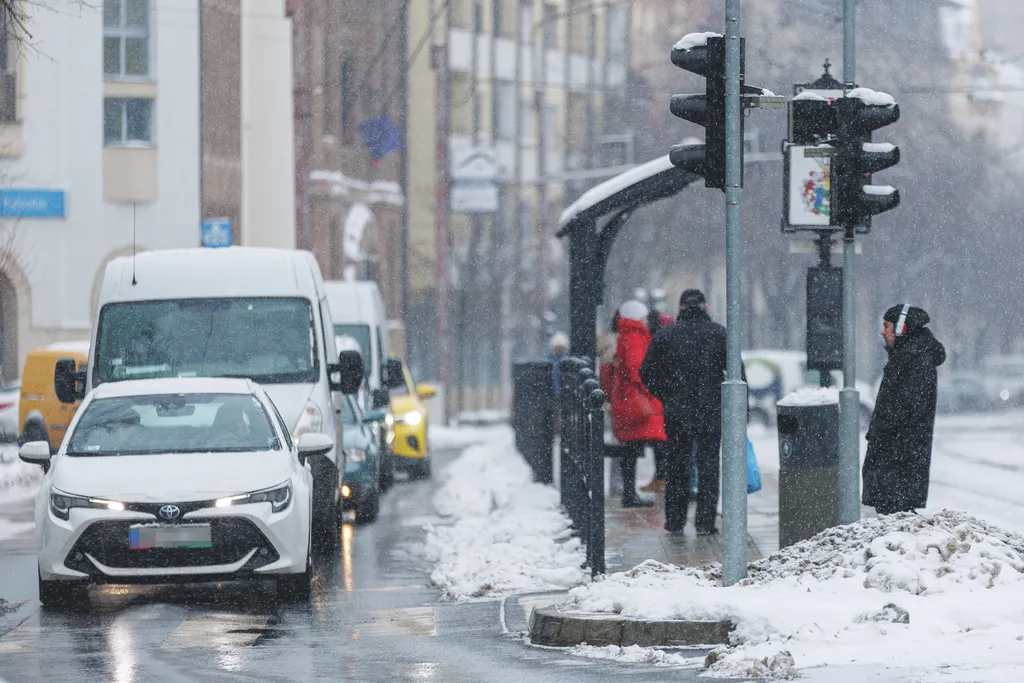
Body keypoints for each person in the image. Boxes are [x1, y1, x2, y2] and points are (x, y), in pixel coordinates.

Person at [640, 289, 730, 535]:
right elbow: (736, 375)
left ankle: (675, 520)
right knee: (708, 467)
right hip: (710, 411)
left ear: (680, 308)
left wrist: (667, 394)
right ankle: (704, 522)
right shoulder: (720, 334)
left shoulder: (666, 335)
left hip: (677, 412)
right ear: (705, 308)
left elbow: (646, 373)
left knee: (677, 466)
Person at [863, 304, 946, 515]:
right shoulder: (907, 357)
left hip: (898, 462)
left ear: (901, 328)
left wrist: (882, 432)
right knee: (894, 516)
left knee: (897, 515)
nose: (883, 332)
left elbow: (907, 409)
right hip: (897, 461)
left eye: (887, 326)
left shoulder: (915, 360)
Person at [609, 300, 663, 508]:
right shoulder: (634, 336)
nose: (647, 320)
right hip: (636, 401)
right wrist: (650, 385)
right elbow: (635, 368)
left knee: (632, 447)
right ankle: (631, 494)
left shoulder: (627, 335)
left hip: (629, 399)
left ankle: (630, 492)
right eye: (644, 316)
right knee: (639, 446)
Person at [640, 298, 677, 493]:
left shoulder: (655, 340)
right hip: (668, 398)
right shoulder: (669, 335)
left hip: (660, 399)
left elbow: (644, 371)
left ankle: (663, 476)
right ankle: (665, 477)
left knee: (660, 441)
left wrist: (658, 390)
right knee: (664, 441)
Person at [549, 332, 570, 397]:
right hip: (553, 390)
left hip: (564, 390)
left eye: (560, 347)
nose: (558, 349)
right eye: (557, 347)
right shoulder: (550, 359)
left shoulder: (567, 359)